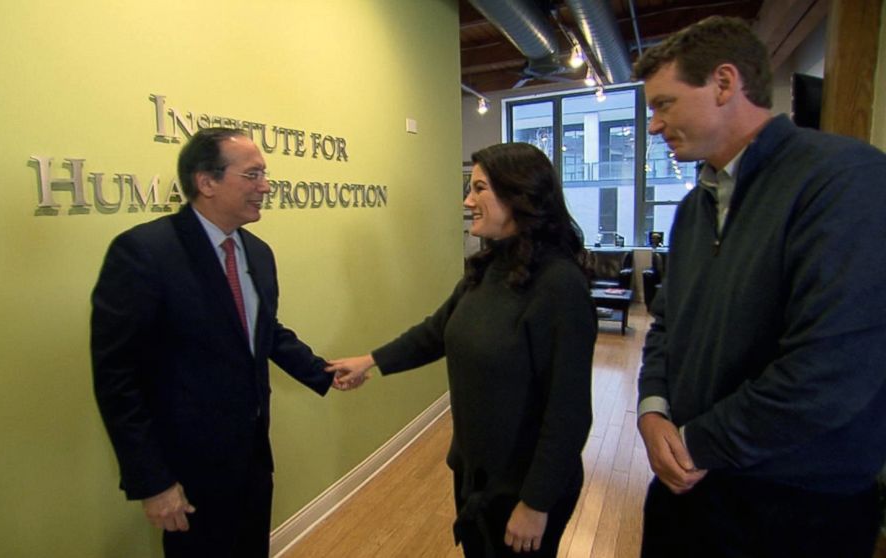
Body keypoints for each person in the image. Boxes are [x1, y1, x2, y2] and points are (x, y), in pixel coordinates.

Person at [633, 16, 886, 558]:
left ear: (725, 83)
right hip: (689, 490)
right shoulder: (693, 208)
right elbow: (668, 323)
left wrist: (695, 443)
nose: (654, 126)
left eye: (664, 104)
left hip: (797, 505)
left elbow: (831, 371)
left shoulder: (845, 180)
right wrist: (652, 409)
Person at [327, 142, 596, 557]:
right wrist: (372, 361)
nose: (466, 201)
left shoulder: (559, 286)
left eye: (479, 189)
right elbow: (437, 331)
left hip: (524, 488)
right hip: (475, 474)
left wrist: (536, 503)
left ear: (518, 196)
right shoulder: (488, 268)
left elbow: (569, 411)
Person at [91, 127, 333, 557]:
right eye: (253, 175)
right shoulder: (145, 252)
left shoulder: (257, 253)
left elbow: (261, 331)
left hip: (253, 455)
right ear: (206, 182)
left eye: (265, 174)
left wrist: (323, 371)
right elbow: (117, 378)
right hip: (187, 469)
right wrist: (153, 481)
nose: (266, 186)